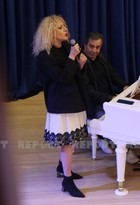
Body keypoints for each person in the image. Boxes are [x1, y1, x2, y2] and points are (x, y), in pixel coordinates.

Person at [32, 15, 88, 198]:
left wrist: (79, 65)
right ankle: (67, 180)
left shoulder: (65, 47)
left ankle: (61, 166)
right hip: (60, 103)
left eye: (65, 26)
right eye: (60, 27)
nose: (66, 29)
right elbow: (62, 78)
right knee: (68, 143)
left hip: (73, 99)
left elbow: (71, 75)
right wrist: (72, 58)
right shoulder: (44, 57)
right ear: (50, 32)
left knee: (70, 141)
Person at [82, 32, 140, 163]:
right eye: (91, 46)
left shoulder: (100, 58)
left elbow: (113, 75)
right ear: (85, 45)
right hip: (91, 105)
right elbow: (88, 91)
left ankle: (112, 139)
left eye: (98, 47)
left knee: (129, 113)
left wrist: (124, 85)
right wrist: (111, 97)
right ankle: (125, 150)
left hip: (106, 100)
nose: (94, 51)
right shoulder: (81, 63)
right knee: (115, 121)